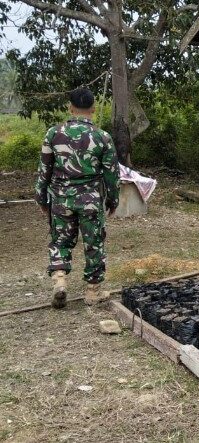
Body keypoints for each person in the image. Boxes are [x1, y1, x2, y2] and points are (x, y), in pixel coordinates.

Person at [34, 87, 120, 308]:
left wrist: (41, 198)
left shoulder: (53, 134)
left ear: (71, 108)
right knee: (94, 243)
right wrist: (113, 199)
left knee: (61, 240)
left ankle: (60, 281)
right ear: (92, 109)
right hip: (90, 199)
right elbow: (112, 173)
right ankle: (92, 292)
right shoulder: (103, 137)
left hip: (61, 199)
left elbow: (44, 170)